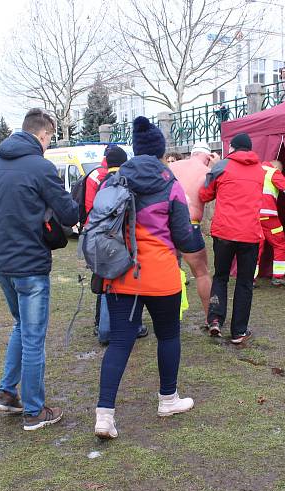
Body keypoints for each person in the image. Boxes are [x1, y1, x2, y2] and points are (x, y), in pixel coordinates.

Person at [0, 108, 78, 431]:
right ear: (43, 136)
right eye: (50, 138)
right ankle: (34, 410)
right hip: (30, 266)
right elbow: (69, 214)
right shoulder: (41, 168)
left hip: (3, 266)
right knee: (33, 337)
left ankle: (6, 392)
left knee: (21, 327)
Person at [94, 116, 204, 440]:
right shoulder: (169, 183)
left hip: (120, 273)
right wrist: (198, 246)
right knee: (168, 336)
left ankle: (104, 415)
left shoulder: (114, 181)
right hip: (161, 276)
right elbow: (184, 236)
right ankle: (167, 399)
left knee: (119, 343)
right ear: (160, 152)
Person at [199, 133, 264, 345]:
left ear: (233, 148)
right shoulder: (260, 169)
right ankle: (239, 331)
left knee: (221, 277)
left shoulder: (222, 166)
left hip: (225, 232)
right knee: (245, 283)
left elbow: (205, 195)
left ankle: (215, 319)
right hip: (250, 233)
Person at [83, 146, 149, 344]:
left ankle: (100, 324)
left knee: (102, 281)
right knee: (125, 282)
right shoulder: (125, 182)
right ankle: (129, 325)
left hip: (98, 239)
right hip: (120, 241)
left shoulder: (99, 181)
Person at [168, 142, 218, 319]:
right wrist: (215, 167)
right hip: (190, 223)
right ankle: (210, 318)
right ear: (207, 156)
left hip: (166, 224)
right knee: (202, 273)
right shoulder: (207, 172)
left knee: (170, 270)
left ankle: (171, 315)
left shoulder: (171, 166)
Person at [255, 160, 285, 287]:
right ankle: (278, 277)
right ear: (277, 168)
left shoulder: (254, 170)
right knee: (280, 244)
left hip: (252, 217)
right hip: (269, 217)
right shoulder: (272, 172)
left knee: (255, 247)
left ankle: (249, 278)